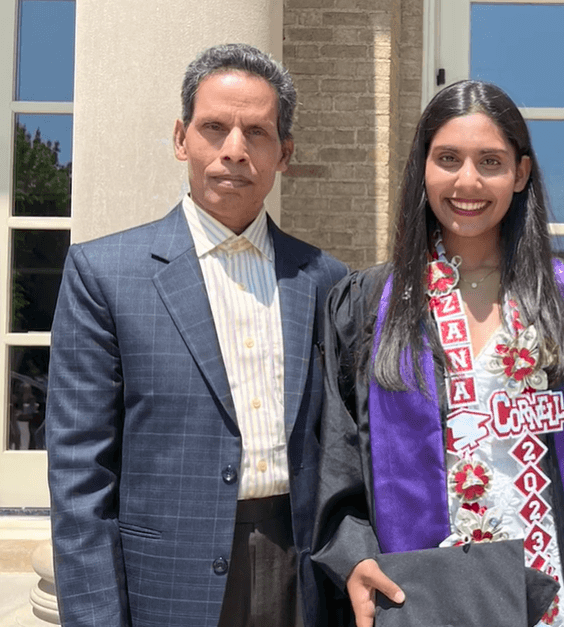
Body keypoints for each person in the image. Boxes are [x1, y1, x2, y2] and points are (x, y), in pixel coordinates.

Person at [46, 44, 348, 627]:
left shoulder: (326, 280)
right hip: (164, 577)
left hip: (301, 572)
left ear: (284, 153)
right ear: (182, 138)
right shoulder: (105, 274)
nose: (234, 150)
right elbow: (81, 477)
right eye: (215, 128)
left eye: (256, 133)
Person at [311, 79, 564, 627]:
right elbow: (336, 452)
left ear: (521, 173)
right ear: (422, 168)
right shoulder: (368, 305)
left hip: (556, 583)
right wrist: (353, 554)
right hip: (425, 588)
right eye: (448, 158)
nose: (467, 181)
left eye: (490, 161)